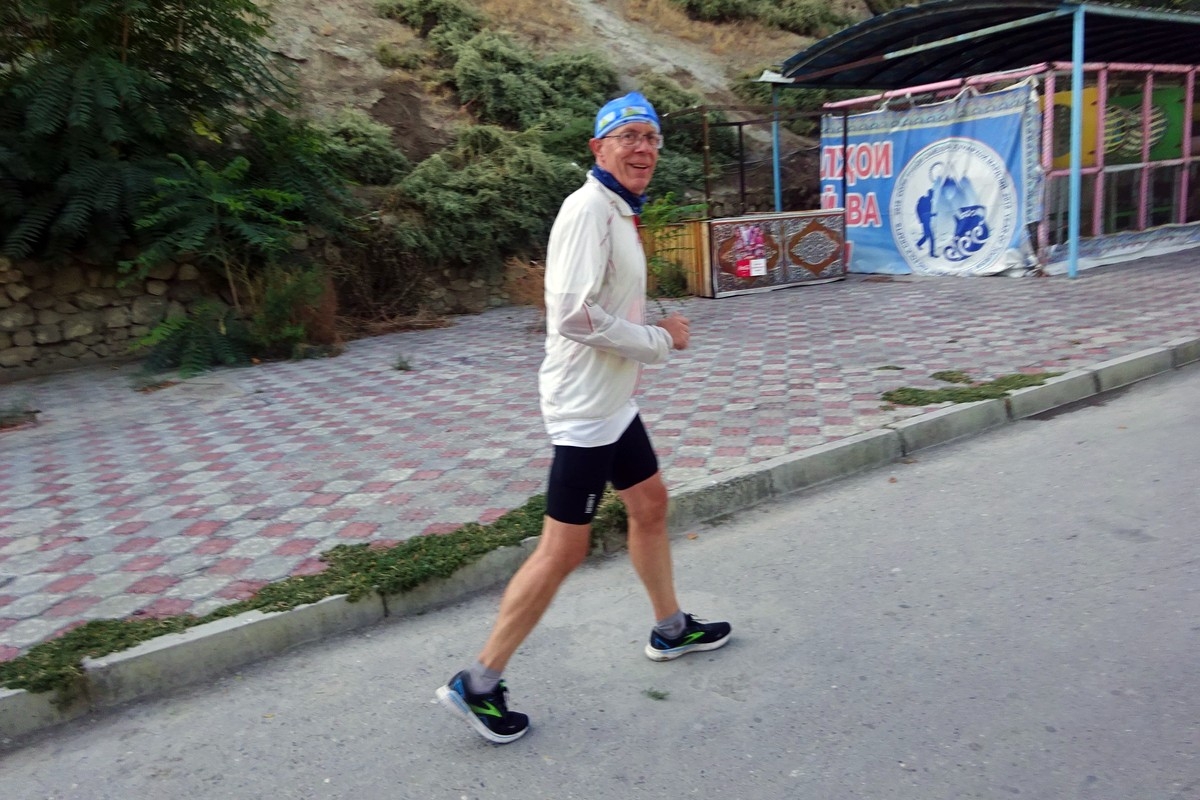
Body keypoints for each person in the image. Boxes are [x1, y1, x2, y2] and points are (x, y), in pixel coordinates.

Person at [435, 92, 732, 744]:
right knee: (563, 549)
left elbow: (605, 303)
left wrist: (645, 339)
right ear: (598, 148)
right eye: (628, 136)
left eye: (651, 137)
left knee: (649, 504)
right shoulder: (587, 210)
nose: (643, 148)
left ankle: (670, 629)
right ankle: (477, 683)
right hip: (584, 408)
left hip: (612, 401)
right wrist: (659, 339)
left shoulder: (618, 210)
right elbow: (572, 314)